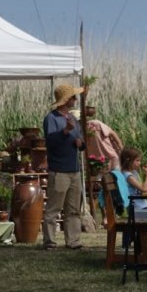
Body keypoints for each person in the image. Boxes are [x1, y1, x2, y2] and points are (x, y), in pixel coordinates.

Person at [42, 84, 86, 250]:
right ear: (66, 100)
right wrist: (65, 132)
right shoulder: (51, 119)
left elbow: (81, 142)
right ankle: (50, 241)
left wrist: (81, 144)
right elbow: (51, 142)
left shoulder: (73, 119)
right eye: (74, 97)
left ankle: (73, 241)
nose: (76, 99)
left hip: (74, 171)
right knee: (54, 208)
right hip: (59, 170)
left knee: (73, 209)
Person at [84, 107, 124, 172]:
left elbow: (112, 133)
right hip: (95, 159)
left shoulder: (95, 123)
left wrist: (121, 147)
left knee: (116, 175)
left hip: (109, 155)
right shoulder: (79, 129)